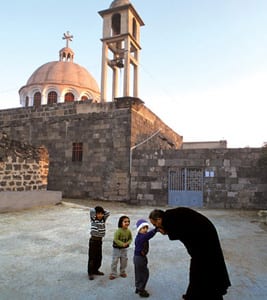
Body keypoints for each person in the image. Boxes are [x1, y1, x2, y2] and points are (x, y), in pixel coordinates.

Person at [149, 207, 231, 300]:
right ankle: (193, 294)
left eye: (155, 224)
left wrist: (165, 231)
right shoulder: (169, 216)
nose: (156, 227)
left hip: (205, 240)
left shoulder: (170, 219)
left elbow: (175, 231)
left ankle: (208, 295)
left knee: (203, 269)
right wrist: (166, 231)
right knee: (198, 269)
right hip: (203, 237)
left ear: (159, 219)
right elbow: (180, 230)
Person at [133, 219, 158, 298]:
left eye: (146, 228)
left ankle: (138, 287)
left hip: (138, 257)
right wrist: (155, 230)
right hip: (140, 258)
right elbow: (148, 235)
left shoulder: (140, 236)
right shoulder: (141, 237)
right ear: (139, 229)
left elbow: (147, 235)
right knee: (144, 274)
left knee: (138, 273)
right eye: (143, 228)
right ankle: (141, 290)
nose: (145, 230)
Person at [87, 206, 110, 280]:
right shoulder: (93, 219)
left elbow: (108, 213)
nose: (100, 215)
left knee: (98, 257)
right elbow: (91, 210)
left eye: (101, 214)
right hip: (93, 241)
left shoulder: (103, 220)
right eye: (98, 214)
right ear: (95, 214)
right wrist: (96, 209)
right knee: (92, 257)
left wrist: (102, 210)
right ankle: (90, 273)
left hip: (99, 241)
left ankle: (96, 270)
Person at [109, 215, 133, 280]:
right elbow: (116, 239)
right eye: (125, 222)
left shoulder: (128, 231)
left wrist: (127, 243)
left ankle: (122, 272)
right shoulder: (118, 231)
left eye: (128, 221)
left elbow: (130, 239)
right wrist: (122, 244)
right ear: (121, 223)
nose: (127, 223)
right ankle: (113, 273)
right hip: (117, 249)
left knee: (124, 261)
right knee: (115, 261)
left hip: (124, 249)